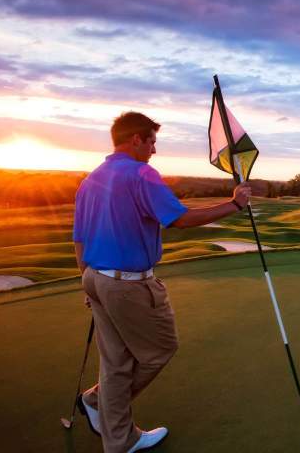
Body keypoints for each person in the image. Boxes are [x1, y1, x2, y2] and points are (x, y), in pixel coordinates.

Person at [73, 111, 251, 453]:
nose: (154, 149)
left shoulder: (91, 179)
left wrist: (85, 280)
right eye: (151, 141)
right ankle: (103, 409)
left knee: (117, 361)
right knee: (159, 350)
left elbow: (79, 238)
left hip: (95, 278)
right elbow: (180, 219)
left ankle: (116, 433)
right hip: (128, 285)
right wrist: (234, 205)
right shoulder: (142, 173)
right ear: (135, 139)